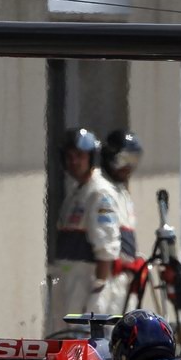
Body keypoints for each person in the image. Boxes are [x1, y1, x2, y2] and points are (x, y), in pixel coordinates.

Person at [49, 128, 123, 332]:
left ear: (91, 157)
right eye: (69, 156)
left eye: (79, 156)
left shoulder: (99, 192)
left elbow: (107, 247)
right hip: (69, 282)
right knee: (64, 340)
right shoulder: (78, 192)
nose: (74, 161)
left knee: (84, 344)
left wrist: (98, 289)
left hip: (86, 285)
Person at [102, 129, 142, 306]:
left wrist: (136, 262)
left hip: (125, 280)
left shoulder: (123, 193)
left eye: (133, 160)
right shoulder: (103, 190)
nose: (128, 166)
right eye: (124, 159)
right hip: (109, 279)